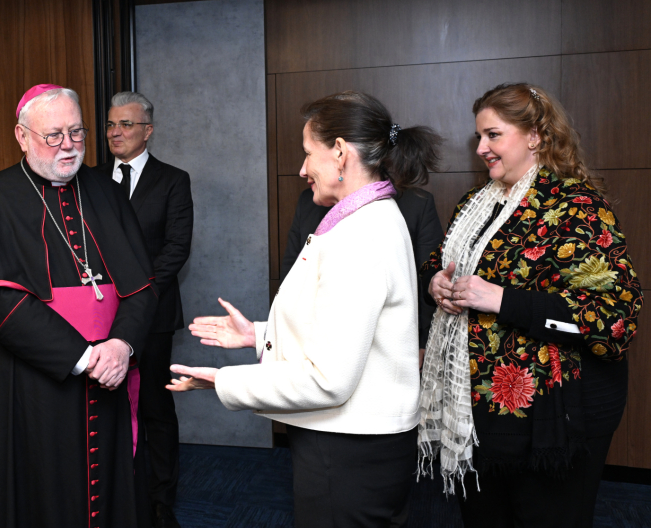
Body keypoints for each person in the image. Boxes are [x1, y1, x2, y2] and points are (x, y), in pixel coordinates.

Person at [168, 91, 441, 527]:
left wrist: (224, 381)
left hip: (350, 448)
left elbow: (329, 380)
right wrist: (258, 334)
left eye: (307, 153)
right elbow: (345, 330)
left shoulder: (360, 235)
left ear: (339, 152)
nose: (301, 169)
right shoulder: (365, 218)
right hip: (359, 443)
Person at [418, 83, 642, 527]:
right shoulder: (474, 204)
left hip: (555, 417)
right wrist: (436, 283)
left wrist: (500, 299)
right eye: (478, 137)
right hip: (481, 414)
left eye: (493, 135)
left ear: (536, 135)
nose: (481, 147)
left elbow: (615, 319)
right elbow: (440, 259)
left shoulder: (577, 206)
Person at [0, 84, 158, 528]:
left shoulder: (107, 193)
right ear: (22, 136)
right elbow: (2, 303)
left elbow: (142, 287)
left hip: (110, 370)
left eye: (77, 132)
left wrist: (121, 346)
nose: (69, 145)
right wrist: (83, 357)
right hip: (31, 382)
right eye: (53, 135)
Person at [97, 91, 194, 528]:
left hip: (152, 315)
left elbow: (176, 249)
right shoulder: (90, 179)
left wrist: (135, 295)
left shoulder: (173, 180)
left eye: (126, 125)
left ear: (148, 130)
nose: (116, 132)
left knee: (155, 407)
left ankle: (160, 500)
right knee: (107, 406)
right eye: (111, 125)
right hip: (98, 315)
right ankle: (115, 491)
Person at [282, 185, 441, 368]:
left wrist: (422, 341)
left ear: (341, 156)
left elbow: (428, 277)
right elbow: (291, 275)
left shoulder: (415, 203)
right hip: (315, 339)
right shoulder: (308, 201)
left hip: (385, 345)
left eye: (310, 155)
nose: (303, 170)